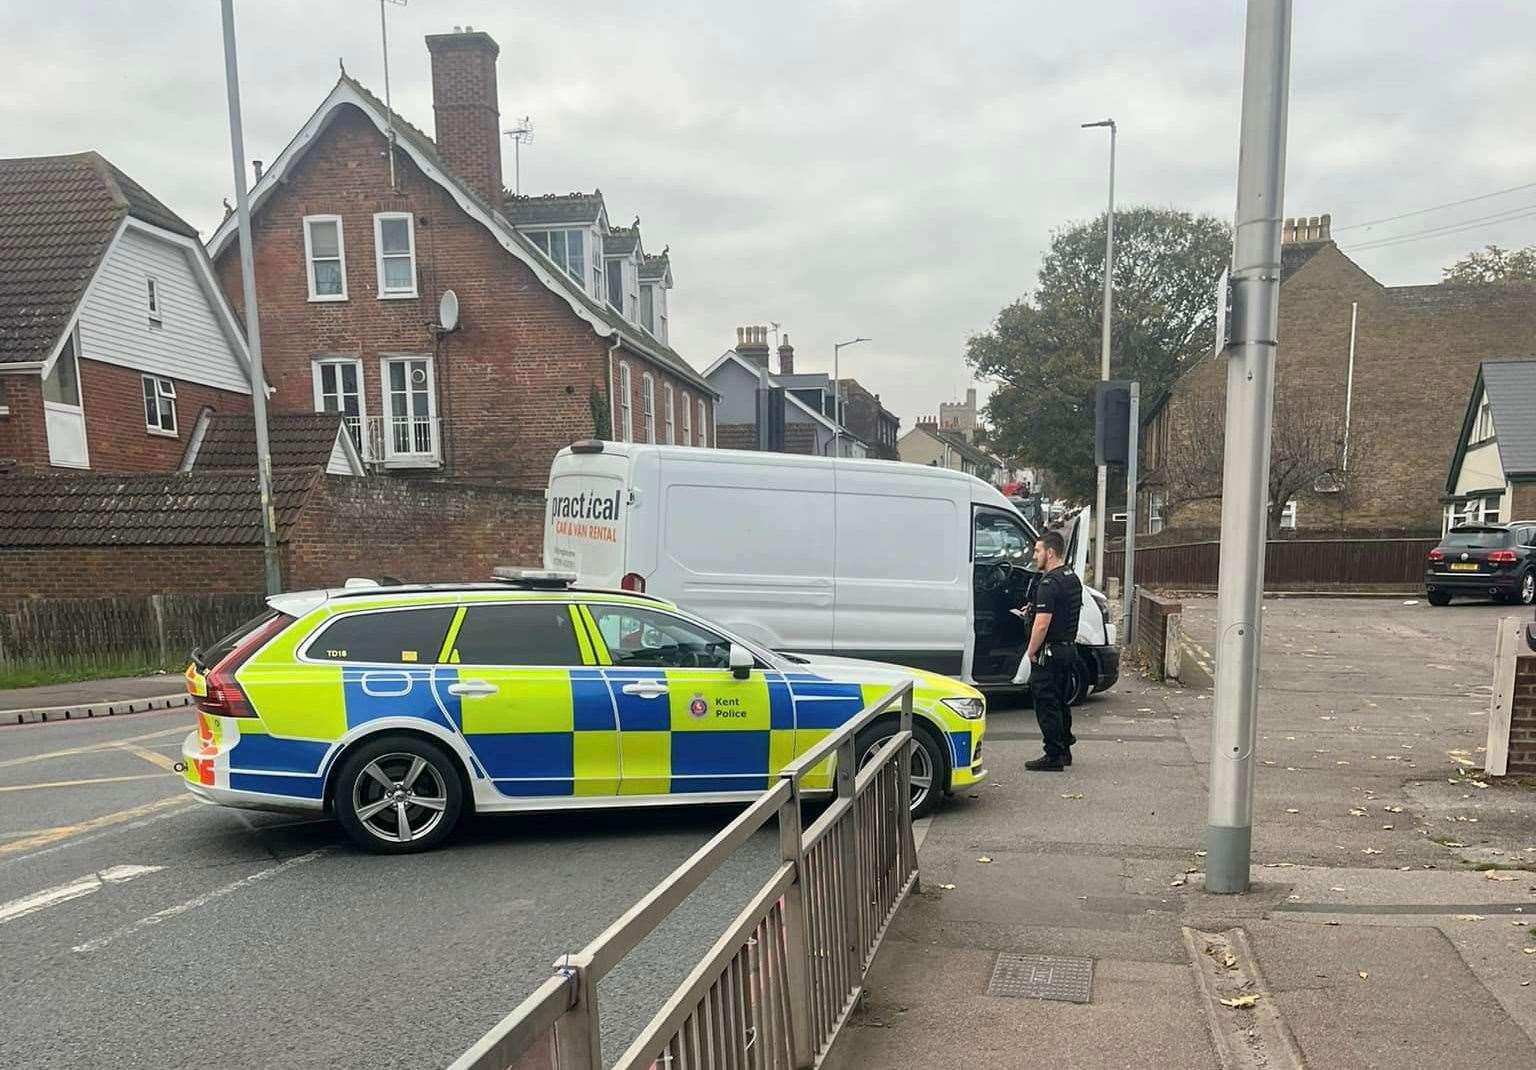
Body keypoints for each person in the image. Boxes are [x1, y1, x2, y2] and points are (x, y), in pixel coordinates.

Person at [1018, 529, 1082, 772]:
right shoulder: (1070, 577)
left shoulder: (1049, 582)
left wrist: (1031, 651)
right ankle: (1065, 749)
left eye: (1037, 551)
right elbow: (1064, 612)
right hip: (1068, 650)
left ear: (1050, 552)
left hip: (1050, 653)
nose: (1035, 555)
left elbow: (1043, 623)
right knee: (1061, 702)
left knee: (1047, 704)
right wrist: (1032, 609)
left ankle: (1052, 755)